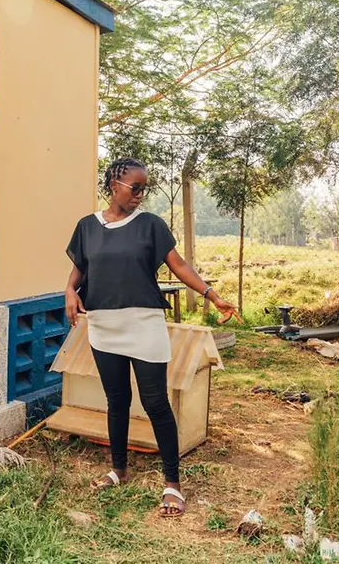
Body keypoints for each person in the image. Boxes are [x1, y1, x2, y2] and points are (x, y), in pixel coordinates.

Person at [64, 158, 241, 518]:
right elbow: (79, 271)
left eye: (145, 188)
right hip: (103, 325)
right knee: (116, 400)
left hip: (143, 324)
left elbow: (178, 265)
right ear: (114, 185)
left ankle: (172, 484)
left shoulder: (150, 225)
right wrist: (69, 292)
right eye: (135, 188)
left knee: (156, 403)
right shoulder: (87, 227)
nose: (140, 195)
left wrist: (212, 294)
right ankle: (118, 469)